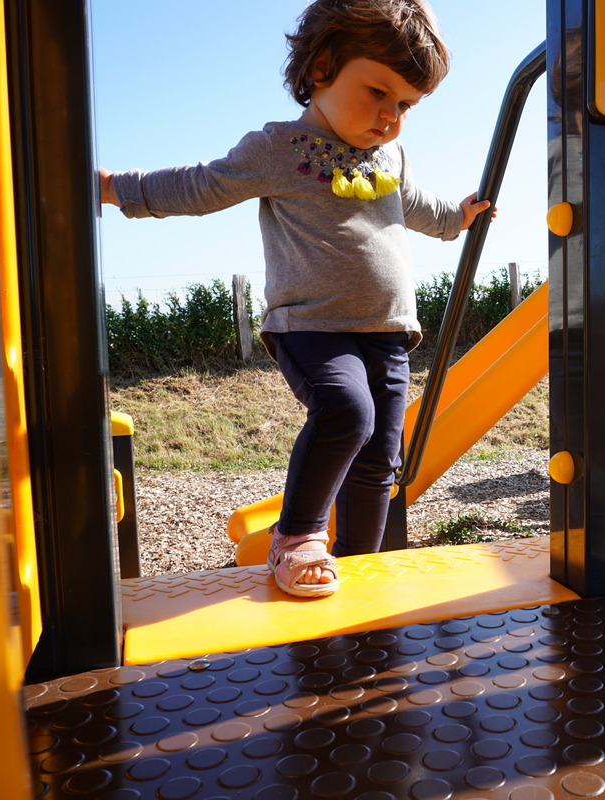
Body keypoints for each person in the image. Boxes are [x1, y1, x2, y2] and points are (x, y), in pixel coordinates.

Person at [99, 0, 493, 597]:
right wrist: (113, 188)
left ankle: (364, 563)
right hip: (311, 325)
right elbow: (201, 184)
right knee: (345, 412)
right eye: (378, 92)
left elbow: (413, 204)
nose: (390, 116)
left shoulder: (392, 155)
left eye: (406, 105)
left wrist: (455, 219)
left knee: (381, 457)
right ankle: (297, 537)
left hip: (387, 331)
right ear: (322, 68)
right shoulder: (281, 148)